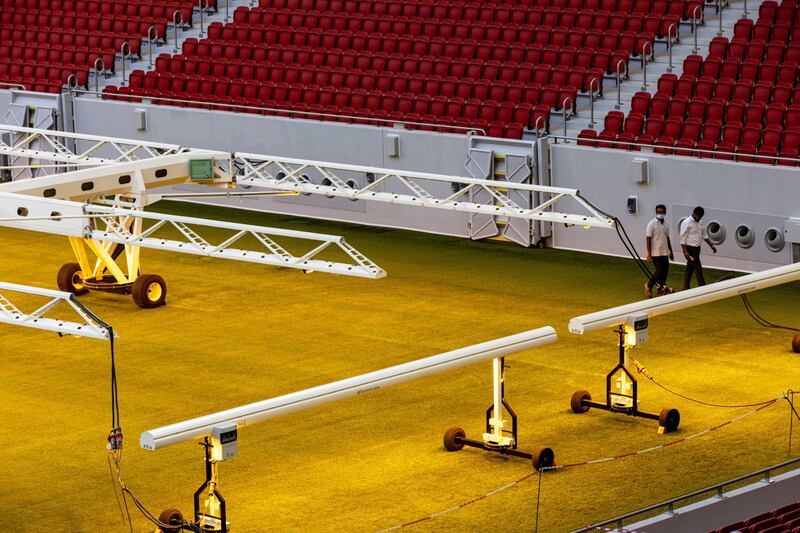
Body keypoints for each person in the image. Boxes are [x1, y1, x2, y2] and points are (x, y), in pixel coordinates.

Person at [679, 206, 717, 290]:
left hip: (697, 249)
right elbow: (682, 237)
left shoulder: (700, 222)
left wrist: (711, 245)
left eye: (700, 217)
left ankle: (686, 287)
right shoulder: (686, 222)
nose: (699, 218)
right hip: (690, 249)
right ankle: (702, 287)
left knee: (690, 268)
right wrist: (685, 251)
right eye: (698, 216)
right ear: (694, 213)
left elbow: (704, 234)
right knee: (698, 268)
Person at [645, 204, 674, 297]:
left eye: (662, 212)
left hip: (665, 252)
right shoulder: (651, 224)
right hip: (655, 252)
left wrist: (671, 251)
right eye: (658, 212)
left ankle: (661, 290)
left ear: (665, 212)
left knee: (665, 272)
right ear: (656, 212)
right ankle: (649, 286)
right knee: (659, 271)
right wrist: (649, 253)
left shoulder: (666, 224)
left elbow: (667, 238)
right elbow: (648, 239)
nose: (660, 213)